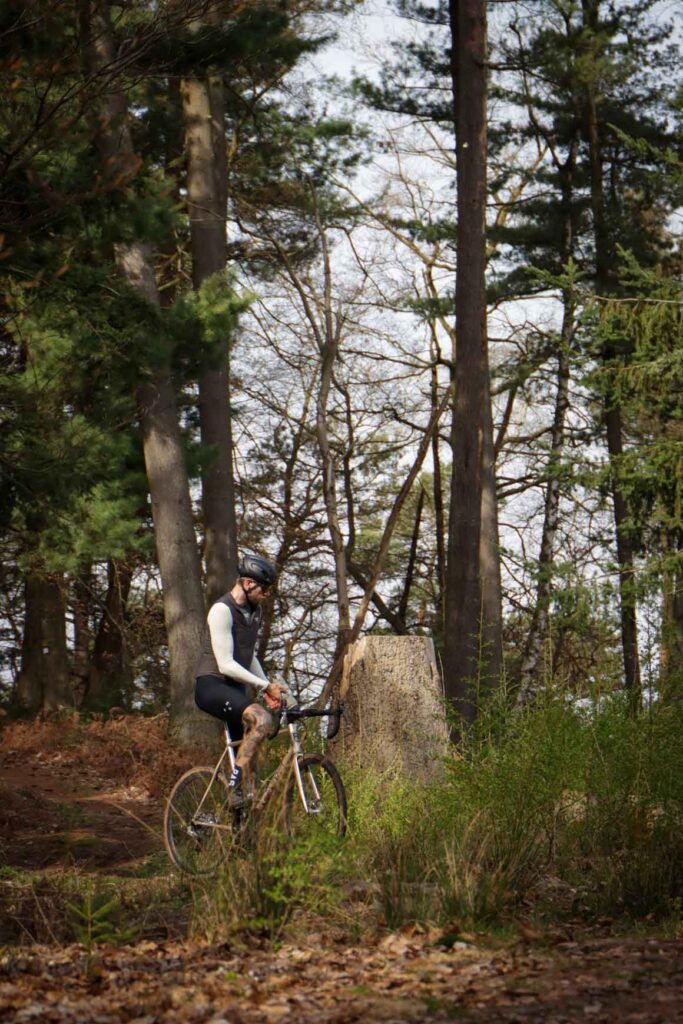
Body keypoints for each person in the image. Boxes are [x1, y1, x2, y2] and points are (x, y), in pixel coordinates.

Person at [194, 553, 286, 803]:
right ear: (247, 584)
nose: (266, 594)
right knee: (262, 718)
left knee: (248, 759)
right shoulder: (222, 610)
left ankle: (239, 813)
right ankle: (233, 789)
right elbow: (226, 664)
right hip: (212, 685)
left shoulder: (254, 611)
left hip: (234, 691)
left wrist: (267, 686)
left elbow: (248, 654)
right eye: (264, 589)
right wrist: (264, 685)